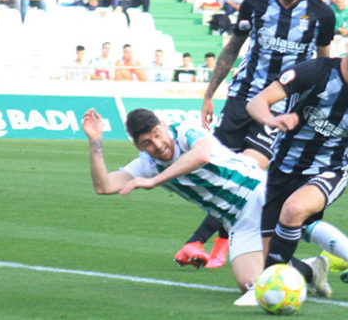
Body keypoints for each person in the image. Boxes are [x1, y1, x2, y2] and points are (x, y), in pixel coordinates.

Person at [199, 0, 348, 285]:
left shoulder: (322, 15)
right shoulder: (254, 5)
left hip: (286, 111)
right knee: (220, 172)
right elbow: (232, 49)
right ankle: (309, 267)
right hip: (244, 99)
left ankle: (208, 239)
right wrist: (210, 93)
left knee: (255, 177)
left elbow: (327, 68)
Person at [244, 16, 348, 300]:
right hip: (282, 171)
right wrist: (272, 118)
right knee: (267, 266)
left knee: (294, 210)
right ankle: (313, 270)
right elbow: (256, 102)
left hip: (329, 170)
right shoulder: (315, 72)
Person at [81, 107, 266, 298]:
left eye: (157, 135)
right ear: (139, 147)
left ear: (163, 126)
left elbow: (201, 155)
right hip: (237, 221)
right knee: (250, 284)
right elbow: (104, 186)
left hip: (257, 191)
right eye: (148, 143)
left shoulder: (185, 131)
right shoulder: (148, 165)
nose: (158, 145)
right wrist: (95, 141)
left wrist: (154, 181)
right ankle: (299, 266)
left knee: (296, 223)